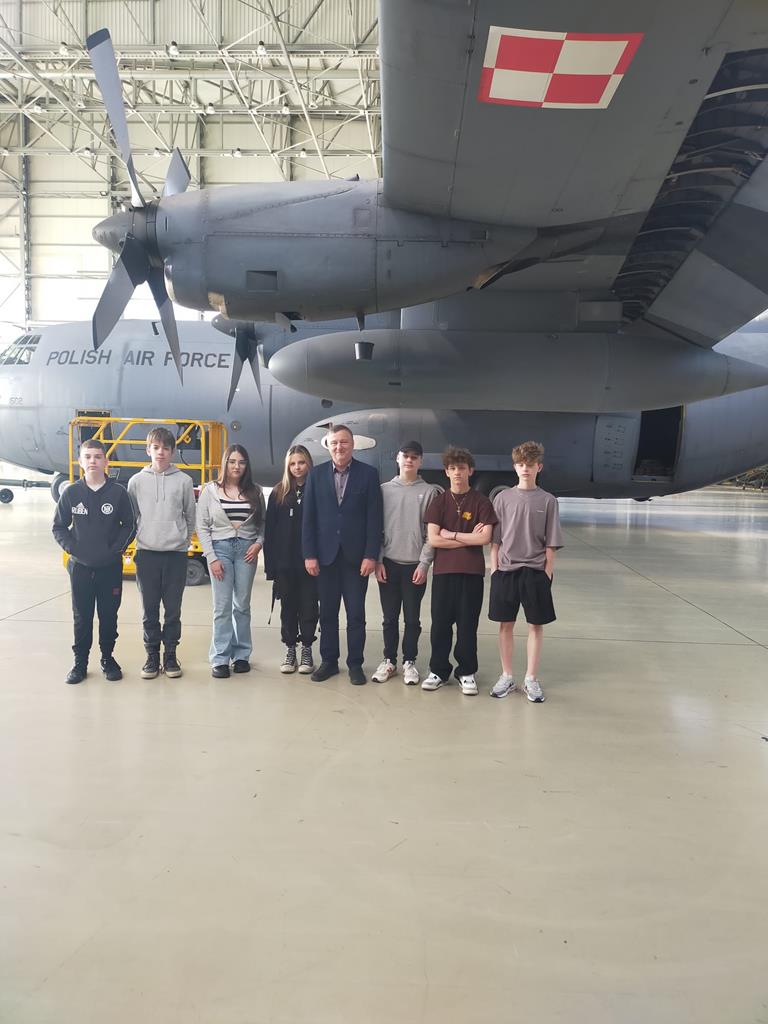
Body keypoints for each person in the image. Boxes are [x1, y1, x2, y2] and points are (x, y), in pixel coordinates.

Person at [302, 423, 383, 685]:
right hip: (324, 558)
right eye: (334, 442)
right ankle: (329, 661)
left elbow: (374, 519)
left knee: (356, 614)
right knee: (327, 613)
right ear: (328, 446)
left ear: (352, 444)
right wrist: (309, 554)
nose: (339, 447)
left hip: (356, 559)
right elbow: (308, 518)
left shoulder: (368, 475)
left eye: (344, 442)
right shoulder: (315, 475)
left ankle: (355, 664)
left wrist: (371, 555)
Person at [52, 439, 135, 684]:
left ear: (106, 461)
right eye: (88, 457)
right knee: (82, 616)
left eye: (98, 457)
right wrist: (74, 549)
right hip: (80, 568)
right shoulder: (71, 493)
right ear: (80, 461)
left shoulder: (118, 493)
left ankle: (108, 658)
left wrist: (115, 550)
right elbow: (58, 527)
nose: (93, 461)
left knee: (108, 615)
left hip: (109, 567)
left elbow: (130, 525)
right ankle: (80, 662)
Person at [489, 441, 563, 702]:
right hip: (506, 570)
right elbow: (495, 540)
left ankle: (531, 678)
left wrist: (547, 572)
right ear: (515, 467)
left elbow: (552, 541)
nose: (525, 469)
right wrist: (494, 569)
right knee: (505, 625)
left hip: (535, 571)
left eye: (530, 465)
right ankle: (507, 676)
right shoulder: (502, 499)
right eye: (520, 464)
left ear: (538, 467)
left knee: (535, 625)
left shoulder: (548, 501)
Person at [422, 446, 497, 696]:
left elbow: (484, 538)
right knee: (440, 625)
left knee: (467, 625)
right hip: (443, 573)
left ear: (470, 471)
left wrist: (451, 535)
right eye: (452, 468)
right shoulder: (439, 502)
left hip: (471, 573)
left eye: (461, 468)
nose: (457, 473)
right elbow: (434, 539)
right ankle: (438, 670)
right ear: (446, 472)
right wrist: (467, 538)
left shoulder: (481, 502)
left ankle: (466, 672)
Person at [127, 426, 196, 680]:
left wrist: (182, 541)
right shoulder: (136, 482)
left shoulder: (184, 481)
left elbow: (190, 516)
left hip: (175, 555)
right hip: (147, 554)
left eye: (166, 448)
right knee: (149, 610)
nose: (161, 452)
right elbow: (132, 517)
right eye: (156, 448)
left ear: (173, 452)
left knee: (173, 610)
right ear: (148, 450)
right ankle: (152, 655)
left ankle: (170, 655)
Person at [372, 441, 441, 685]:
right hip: (388, 564)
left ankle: (409, 661)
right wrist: (378, 560)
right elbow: (376, 529)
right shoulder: (383, 490)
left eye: (414, 457)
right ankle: (389, 660)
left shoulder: (430, 492)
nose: (409, 460)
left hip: (414, 566)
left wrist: (424, 564)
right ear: (398, 459)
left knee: (412, 619)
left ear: (420, 461)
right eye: (405, 456)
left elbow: (431, 534)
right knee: (389, 618)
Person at [197, 444, 266, 678]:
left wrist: (258, 543)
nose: (237, 466)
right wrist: (211, 557)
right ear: (225, 463)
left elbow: (263, 523)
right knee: (222, 606)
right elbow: (202, 526)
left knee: (242, 605)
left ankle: (242, 655)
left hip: (247, 551)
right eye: (232, 461)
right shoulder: (210, 491)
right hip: (221, 550)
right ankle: (220, 658)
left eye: (242, 462)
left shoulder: (255, 491)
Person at [263, 444, 318, 676]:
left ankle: (307, 648)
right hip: (284, 565)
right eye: (293, 463)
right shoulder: (278, 493)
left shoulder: (317, 491)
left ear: (309, 464)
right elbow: (269, 532)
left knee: (309, 607)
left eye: (301, 462)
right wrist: (271, 567)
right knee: (288, 608)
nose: (297, 467)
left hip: (309, 564)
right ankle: (290, 648)